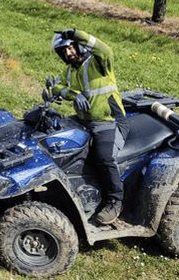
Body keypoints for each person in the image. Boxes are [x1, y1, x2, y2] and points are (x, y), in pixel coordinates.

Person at [47, 28, 128, 225]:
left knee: (103, 157)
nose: (68, 54)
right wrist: (72, 94)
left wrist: (76, 34)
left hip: (108, 121)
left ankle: (115, 201)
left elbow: (106, 50)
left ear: (78, 45)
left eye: (70, 48)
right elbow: (58, 87)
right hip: (84, 120)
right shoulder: (70, 71)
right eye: (62, 52)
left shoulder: (99, 63)